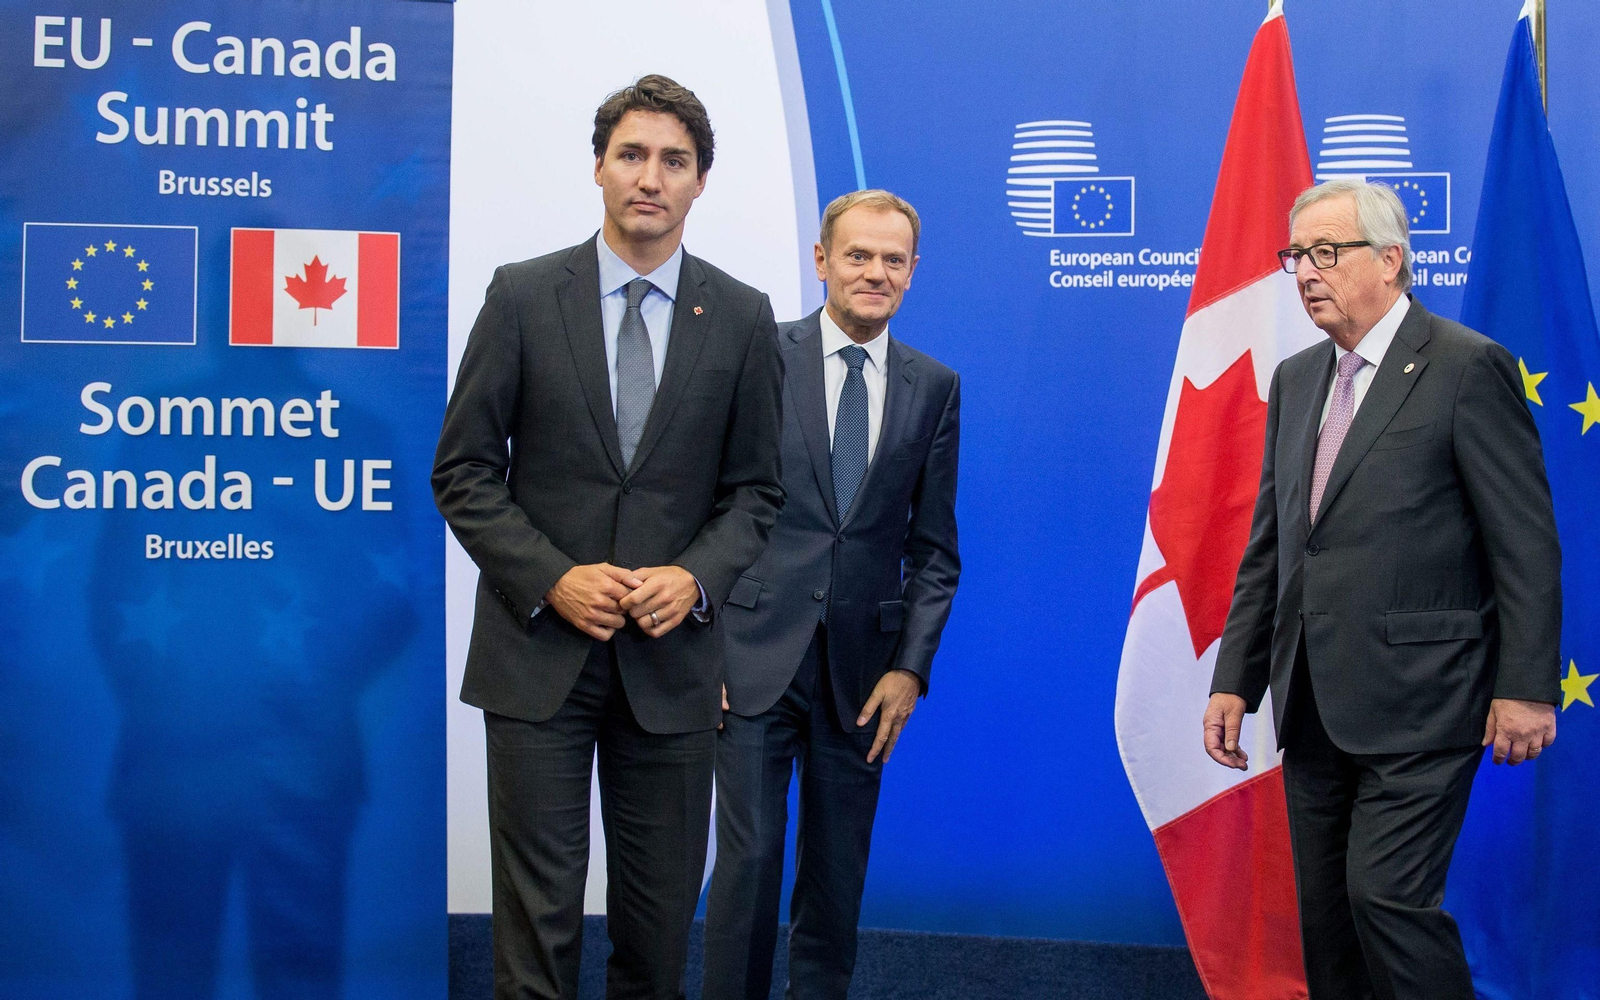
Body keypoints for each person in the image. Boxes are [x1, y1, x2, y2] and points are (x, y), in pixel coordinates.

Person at [432, 75, 784, 1000]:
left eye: (674, 160)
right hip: (537, 655)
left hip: (672, 669)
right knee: (536, 935)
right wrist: (552, 578)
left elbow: (758, 491)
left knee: (657, 936)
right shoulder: (519, 296)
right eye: (632, 154)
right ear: (599, 166)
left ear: (700, 182)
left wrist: (695, 577)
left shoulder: (744, 318)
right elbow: (463, 471)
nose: (650, 177)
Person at [1203, 178, 1561, 1000]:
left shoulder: (1468, 367)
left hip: (1427, 701)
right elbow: (1274, 545)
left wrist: (1527, 688)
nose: (1305, 272)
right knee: (1329, 925)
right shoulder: (1297, 379)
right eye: (1297, 255)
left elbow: (1526, 546)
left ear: (1391, 260)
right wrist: (1236, 676)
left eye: (1328, 253)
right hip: (1314, 700)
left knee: (1388, 902)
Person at [702, 189, 961, 1000]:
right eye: (858, 255)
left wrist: (910, 669)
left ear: (913, 273)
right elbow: (703, 508)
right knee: (747, 864)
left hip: (864, 677)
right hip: (748, 659)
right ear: (822, 262)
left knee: (838, 870)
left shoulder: (935, 386)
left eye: (893, 260)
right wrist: (698, 642)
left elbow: (936, 551)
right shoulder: (757, 357)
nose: (874, 272)